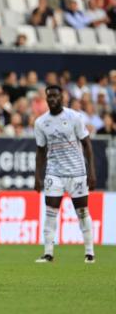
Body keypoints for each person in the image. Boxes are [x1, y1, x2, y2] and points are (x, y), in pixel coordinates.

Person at [34, 85, 96, 264]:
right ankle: (48, 253)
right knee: (50, 212)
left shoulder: (74, 117)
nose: (52, 99)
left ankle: (89, 252)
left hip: (77, 172)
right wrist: (37, 177)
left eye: (55, 96)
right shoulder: (40, 122)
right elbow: (40, 151)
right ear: (46, 99)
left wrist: (91, 172)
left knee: (82, 211)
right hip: (54, 173)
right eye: (49, 97)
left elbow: (87, 145)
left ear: (62, 97)